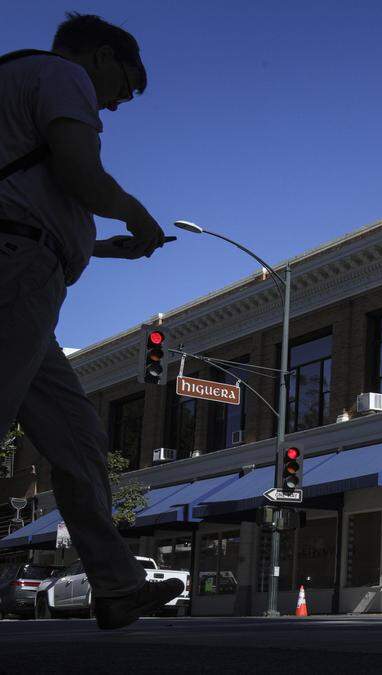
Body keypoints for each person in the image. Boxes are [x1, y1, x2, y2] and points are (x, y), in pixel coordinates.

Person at [0, 13, 180, 629]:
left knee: (79, 440)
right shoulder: (59, 74)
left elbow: (35, 198)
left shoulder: (18, 79)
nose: (118, 103)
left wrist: (95, 246)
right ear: (102, 56)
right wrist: (138, 216)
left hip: (29, 273)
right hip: (17, 273)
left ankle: (116, 585)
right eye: (125, 85)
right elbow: (79, 171)